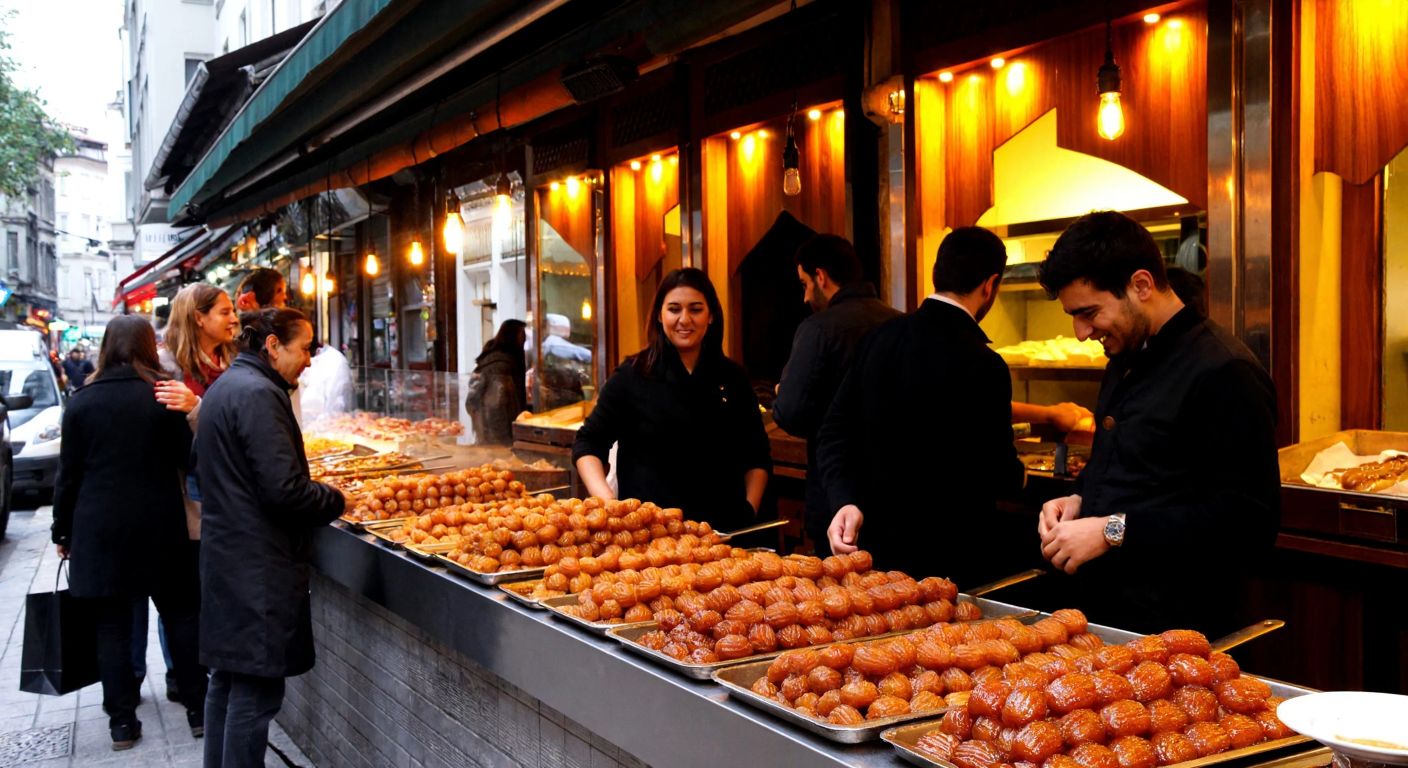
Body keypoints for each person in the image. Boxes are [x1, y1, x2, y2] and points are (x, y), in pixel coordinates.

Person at [1034, 211, 1278, 636]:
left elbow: (1247, 522)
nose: (1080, 332)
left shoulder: (1225, 370)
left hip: (1177, 629)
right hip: (1105, 617)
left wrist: (1110, 530)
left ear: (1141, 285)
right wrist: (1079, 500)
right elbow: (1128, 467)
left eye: (1089, 312)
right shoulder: (1124, 356)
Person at [818, 227, 1026, 584]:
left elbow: (834, 432)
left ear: (937, 272)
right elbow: (997, 473)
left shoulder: (879, 337)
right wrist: (1022, 477)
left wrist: (844, 501)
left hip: (876, 558)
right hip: (951, 567)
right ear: (990, 285)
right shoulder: (985, 364)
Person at [196, 307, 345, 768]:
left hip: (229, 557)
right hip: (256, 568)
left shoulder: (227, 386)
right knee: (255, 695)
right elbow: (285, 490)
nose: (309, 360)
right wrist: (334, 499)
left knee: (228, 682)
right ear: (273, 346)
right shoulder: (259, 395)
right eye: (304, 349)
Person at [50, 316, 208, 750]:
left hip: (100, 529)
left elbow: (69, 477)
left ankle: (122, 722)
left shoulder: (81, 402)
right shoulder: (160, 395)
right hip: (161, 525)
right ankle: (198, 710)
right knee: (181, 617)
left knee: (112, 627)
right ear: (146, 346)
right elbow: (188, 457)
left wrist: (61, 530)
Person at [573, 268, 771, 533]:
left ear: (711, 315)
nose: (684, 319)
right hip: (650, 538)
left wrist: (748, 510)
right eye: (674, 309)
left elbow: (756, 454)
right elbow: (588, 443)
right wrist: (609, 504)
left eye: (696, 309)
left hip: (723, 537)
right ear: (659, 315)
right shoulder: (633, 374)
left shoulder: (733, 378)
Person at [772, 234, 899, 554]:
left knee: (840, 596)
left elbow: (790, 411)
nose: (804, 298)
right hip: (896, 497)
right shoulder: (901, 323)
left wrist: (781, 395)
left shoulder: (819, 328)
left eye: (804, 284)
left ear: (821, 276)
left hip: (835, 496)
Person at [467, 319, 527, 445]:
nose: (524, 338)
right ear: (512, 335)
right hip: (498, 428)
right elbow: (498, 404)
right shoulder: (502, 365)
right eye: (522, 333)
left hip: (490, 426)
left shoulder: (494, 357)